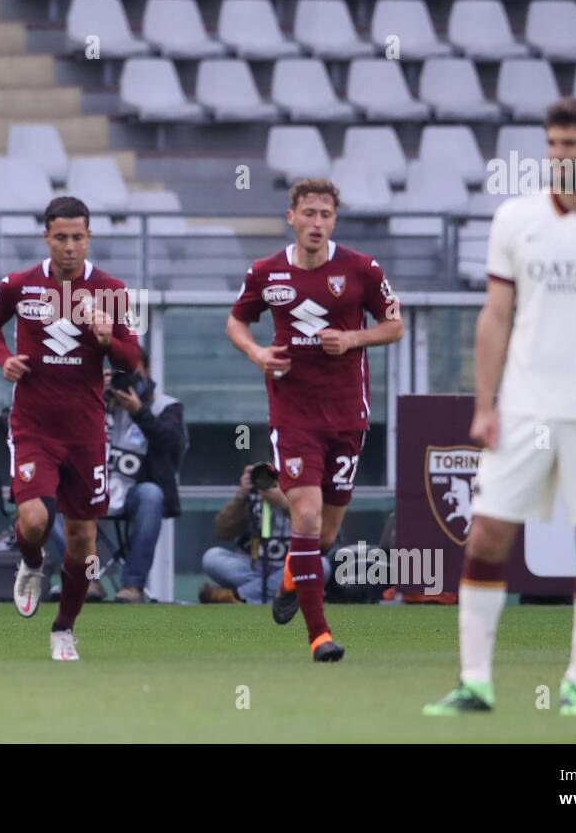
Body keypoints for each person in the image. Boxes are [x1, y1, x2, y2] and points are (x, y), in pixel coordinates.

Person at [424, 97, 576, 716]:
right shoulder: (516, 218)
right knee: (487, 535)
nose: (559, 156)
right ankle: (475, 682)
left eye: (570, 145)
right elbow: (496, 315)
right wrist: (485, 403)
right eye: (552, 144)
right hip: (525, 409)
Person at [227, 178, 404, 663]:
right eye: (309, 213)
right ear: (292, 217)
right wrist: (258, 352)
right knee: (304, 516)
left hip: (347, 414)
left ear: (334, 221)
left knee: (322, 535)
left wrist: (352, 340)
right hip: (293, 413)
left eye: (326, 215)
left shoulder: (362, 269)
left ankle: (291, 577)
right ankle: (319, 635)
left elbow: (395, 326)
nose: (317, 223)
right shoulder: (266, 272)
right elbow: (236, 321)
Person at [0, 195, 141, 660]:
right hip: (33, 426)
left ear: (89, 238)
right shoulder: (20, 285)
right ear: (46, 238)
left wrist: (108, 335)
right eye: (60, 238)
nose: (69, 247)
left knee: (83, 540)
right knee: (33, 520)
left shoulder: (112, 290)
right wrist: (4, 358)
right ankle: (31, 564)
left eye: (78, 237)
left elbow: (133, 359)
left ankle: (64, 628)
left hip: (87, 432)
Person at [48, 354, 186, 603]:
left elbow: (172, 445)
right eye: (115, 372)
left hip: (133, 491)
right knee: (50, 500)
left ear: (145, 371)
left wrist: (140, 412)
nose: (122, 378)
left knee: (151, 495)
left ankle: (132, 585)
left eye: (130, 371)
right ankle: (87, 578)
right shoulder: (88, 400)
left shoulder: (164, 406)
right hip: (89, 488)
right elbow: (56, 434)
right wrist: (89, 395)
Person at [200, 464, 291, 605]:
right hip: (252, 565)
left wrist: (284, 504)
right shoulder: (253, 493)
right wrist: (241, 495)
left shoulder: (302, 489)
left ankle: (237, 596)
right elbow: (222, 531)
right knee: (211, 558)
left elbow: (318, 532)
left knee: (321, 565)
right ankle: (278, 593)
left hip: (289, 565)